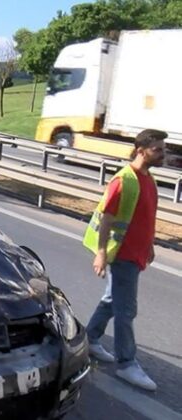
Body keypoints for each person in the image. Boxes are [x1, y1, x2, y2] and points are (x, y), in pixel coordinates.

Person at [83, 129, 167, 391]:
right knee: (126, 309)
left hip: (137, 251)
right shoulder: (124, 180)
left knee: (111, 301)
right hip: (123, 254)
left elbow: (144, 217)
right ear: (141, 150)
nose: (164, 154)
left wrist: (149, 244)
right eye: (158, 150)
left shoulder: (148, 179)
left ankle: (90, 339)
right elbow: (107, 218)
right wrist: (100, 253)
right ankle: (126, 363)